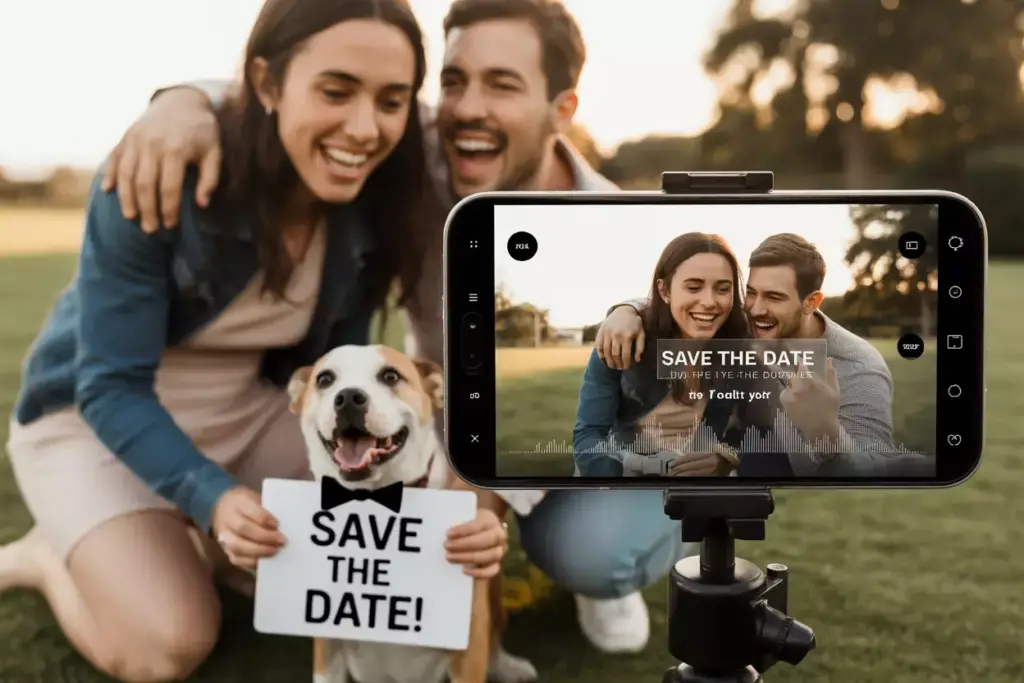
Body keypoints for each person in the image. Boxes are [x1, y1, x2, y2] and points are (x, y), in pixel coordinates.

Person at [97, 0, 677, 655]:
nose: (468, 108)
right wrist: (182, 103)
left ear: (561, 109)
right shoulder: (412, 155)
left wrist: (486, 489)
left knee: (594, 547)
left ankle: (601, 578)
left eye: (502, 84)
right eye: (454, 81)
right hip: (446, 413)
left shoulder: (614, 231)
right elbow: (305, 85)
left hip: (590, 427)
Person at [0, 2, 508, 681]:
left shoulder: (372, 204)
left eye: (390, 101)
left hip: (252, 412)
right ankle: (45, 556)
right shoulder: (159, 172)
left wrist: (460, 513)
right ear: (267, 83)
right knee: (168, 644)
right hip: (95, 425)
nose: (365, 128)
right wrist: (212, 496)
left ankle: (180, 540)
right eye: (335, 91)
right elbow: (109, 386)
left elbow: (343, 378)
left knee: (377, 530)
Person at [595, 232, 896, 472]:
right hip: (740, 461)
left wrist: (826, 432)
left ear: (811, 302)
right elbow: (683, 301)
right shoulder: (748, 326)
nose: (756, 309)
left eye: (774, 297)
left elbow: (875, 471)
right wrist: (625, 310)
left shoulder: (859, 368)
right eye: (751, 293)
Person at [574, 233, 795, 479]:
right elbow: (588, 436)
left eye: (723, 289)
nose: (709, 302)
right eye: (693, 287)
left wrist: (726, 458)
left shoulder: (741, 345)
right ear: (664, 290)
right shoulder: (622, 340)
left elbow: (761, 431)